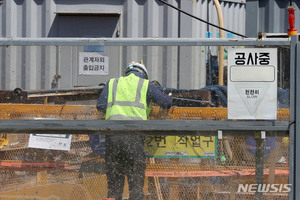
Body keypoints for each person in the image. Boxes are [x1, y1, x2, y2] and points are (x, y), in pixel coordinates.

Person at [97, 62, 172, 200]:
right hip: (134, 139)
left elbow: (100, 106)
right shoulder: (145, 84)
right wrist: (168, 97)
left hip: (113, 139)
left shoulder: (112, 83)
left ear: (127, 72)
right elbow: (166, 103)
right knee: (136, 187)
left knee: (114, 187)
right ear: (143, 74)